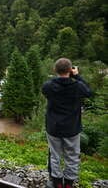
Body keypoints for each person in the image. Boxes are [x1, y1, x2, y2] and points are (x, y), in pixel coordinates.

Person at [42, 58, 92, 188]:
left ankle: (57, 183)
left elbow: (46, 90)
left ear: (55, 70)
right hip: (72, 128)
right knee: (72, 156)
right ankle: (69, 183)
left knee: (54, 155)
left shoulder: (48, 86)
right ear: (70, 70)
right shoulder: (78, 86)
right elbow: (88, 92)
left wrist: (60, 77)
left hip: (53, 128)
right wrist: (77, 76)